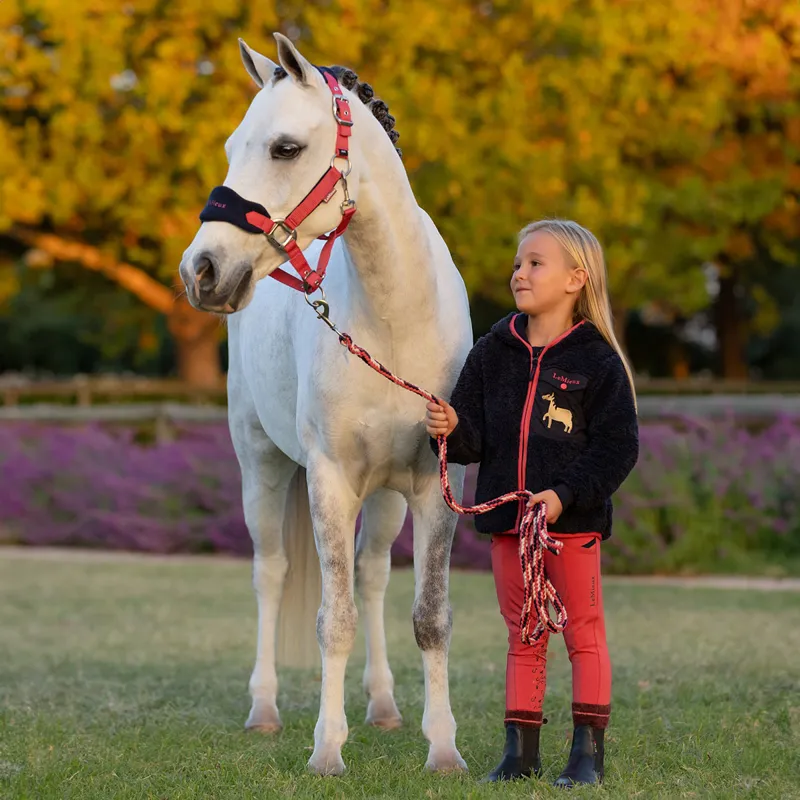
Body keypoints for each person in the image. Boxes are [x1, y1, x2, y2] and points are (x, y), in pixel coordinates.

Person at [425, 219, 639, 787]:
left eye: (535, 263)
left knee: (583, 636)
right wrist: (449, 428)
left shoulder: (597, 361)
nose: (519, 273)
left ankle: (587, 756)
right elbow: (471, 442)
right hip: (507, 525)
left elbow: (618, 448)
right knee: (524, 636)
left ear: (576, 278)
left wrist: (564, 496)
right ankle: (520, 755)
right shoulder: (491, 352)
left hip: (570, 527)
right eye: (518, 263)